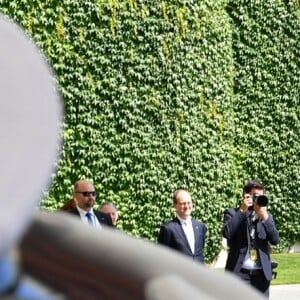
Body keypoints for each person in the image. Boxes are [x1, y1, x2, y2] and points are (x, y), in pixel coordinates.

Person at [222, 180, 280, 298]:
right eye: (255, 196)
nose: (258, 199)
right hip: (239, 274)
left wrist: (264, 216)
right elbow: (227, 233)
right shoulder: (233, 213)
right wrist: (242, 210)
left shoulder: (266, 216)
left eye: (261, 196)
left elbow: (275, 239)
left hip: (261, 275)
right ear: (245, 195)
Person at [157, 189, 207, 263]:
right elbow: (162, 256)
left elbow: (200, 252)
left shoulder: (200, 226)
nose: (186, 206)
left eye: (189, 203)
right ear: (175, 205)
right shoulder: (168, 229)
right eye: (183, 203)